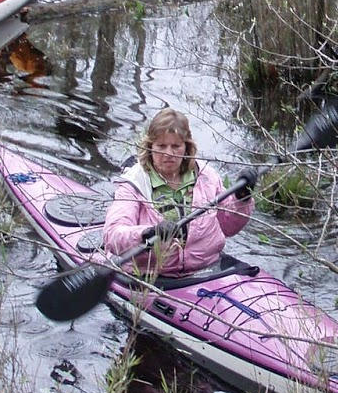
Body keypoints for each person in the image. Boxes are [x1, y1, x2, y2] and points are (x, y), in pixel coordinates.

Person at [103, 106, 257, 277]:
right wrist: (147, 233)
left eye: (175, 146)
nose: (169, 153)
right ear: (150, 147)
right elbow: (112, 235)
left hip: (207, 269)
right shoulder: (134, 184)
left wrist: (242, 198)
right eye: (161, 146)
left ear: (186, 147)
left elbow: (228, 227)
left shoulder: (206, 176)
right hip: (153, 275)